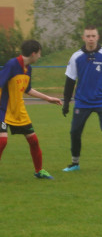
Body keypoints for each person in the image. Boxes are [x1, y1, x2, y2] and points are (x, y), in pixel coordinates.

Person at [0, 40, 63, 179]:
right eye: (39, 54)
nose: (39, 57)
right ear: (33, 53)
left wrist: (48, 98)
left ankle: (39, 171)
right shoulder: (12, 64)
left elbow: (27, 89)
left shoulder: (29, 69)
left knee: (33, 140)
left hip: (19, 111)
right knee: (2, 141)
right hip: (3, 110)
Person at [61, 27, 102, 171]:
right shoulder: (76, 57)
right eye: (88, 36)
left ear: (98, 37)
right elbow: (70, 81)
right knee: (75, 132)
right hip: (82, 101)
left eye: (93, 36)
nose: (91, 39)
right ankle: (75, 163)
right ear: (83, 38)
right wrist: (66, 103)